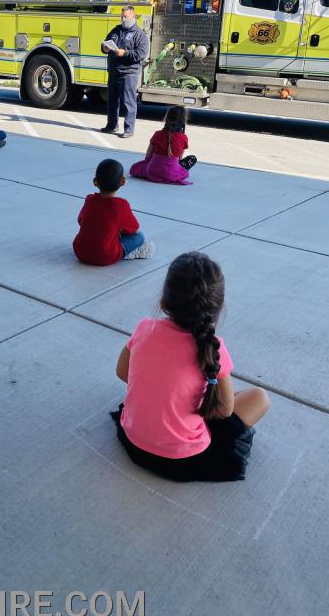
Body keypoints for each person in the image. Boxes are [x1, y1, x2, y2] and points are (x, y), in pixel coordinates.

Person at [111, 251, 270, 482]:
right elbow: (225, 409)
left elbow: (122, 372)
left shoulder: (145, 327)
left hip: (134, 443)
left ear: (164, 301)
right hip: (183, 460)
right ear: (218, 307)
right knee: (259, 397)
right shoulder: (213, 347)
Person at [73, 158, 154, 265]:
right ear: (123, 181)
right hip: (105, 256)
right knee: (139, 237)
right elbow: (134, 229)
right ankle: (128, 252)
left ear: (95, 181)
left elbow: (80, 221)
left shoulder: (89, 200)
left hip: (80, 252)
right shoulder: (121, 205)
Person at [100, 6, 149, 138]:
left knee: (128, 102)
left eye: (125, 17)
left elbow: (141, 54)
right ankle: (111, 125)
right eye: (121, 17)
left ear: (133, 17)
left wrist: (125, 53)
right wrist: (104, 47)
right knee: (112, 101)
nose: (123, 19)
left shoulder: (139, 35)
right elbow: (106, 43)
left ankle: (128, 129)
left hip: (129, 73)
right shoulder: (116, 30)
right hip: (114, 71)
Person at [130, 105, 197, 185]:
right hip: (171, 174)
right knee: (192, 158)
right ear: (183, 121)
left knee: (135, 168)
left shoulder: (157, 134)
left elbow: (148, 156)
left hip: (153, 171)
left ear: (167, 118)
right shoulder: (184, 137)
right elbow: (179, 158)